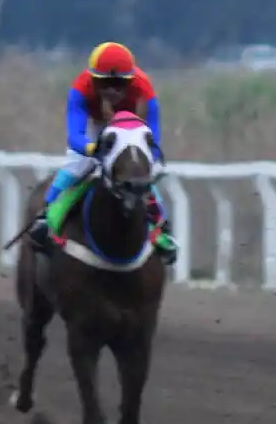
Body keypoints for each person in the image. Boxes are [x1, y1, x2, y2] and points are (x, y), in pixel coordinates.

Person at [28, 42, 179, 265]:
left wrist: (151, 153)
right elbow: (76, 134)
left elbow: (153, 130)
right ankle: (46, 217)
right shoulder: (80, 88)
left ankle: (161, 229)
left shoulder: (143, 85)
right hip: (96, 126)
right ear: (92, 78)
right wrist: (92, 148)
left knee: (142, 174)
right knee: (76, 165)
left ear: (131, 80)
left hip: (131, 130)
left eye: (120, 85)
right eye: (105, 84)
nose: (112, 91)